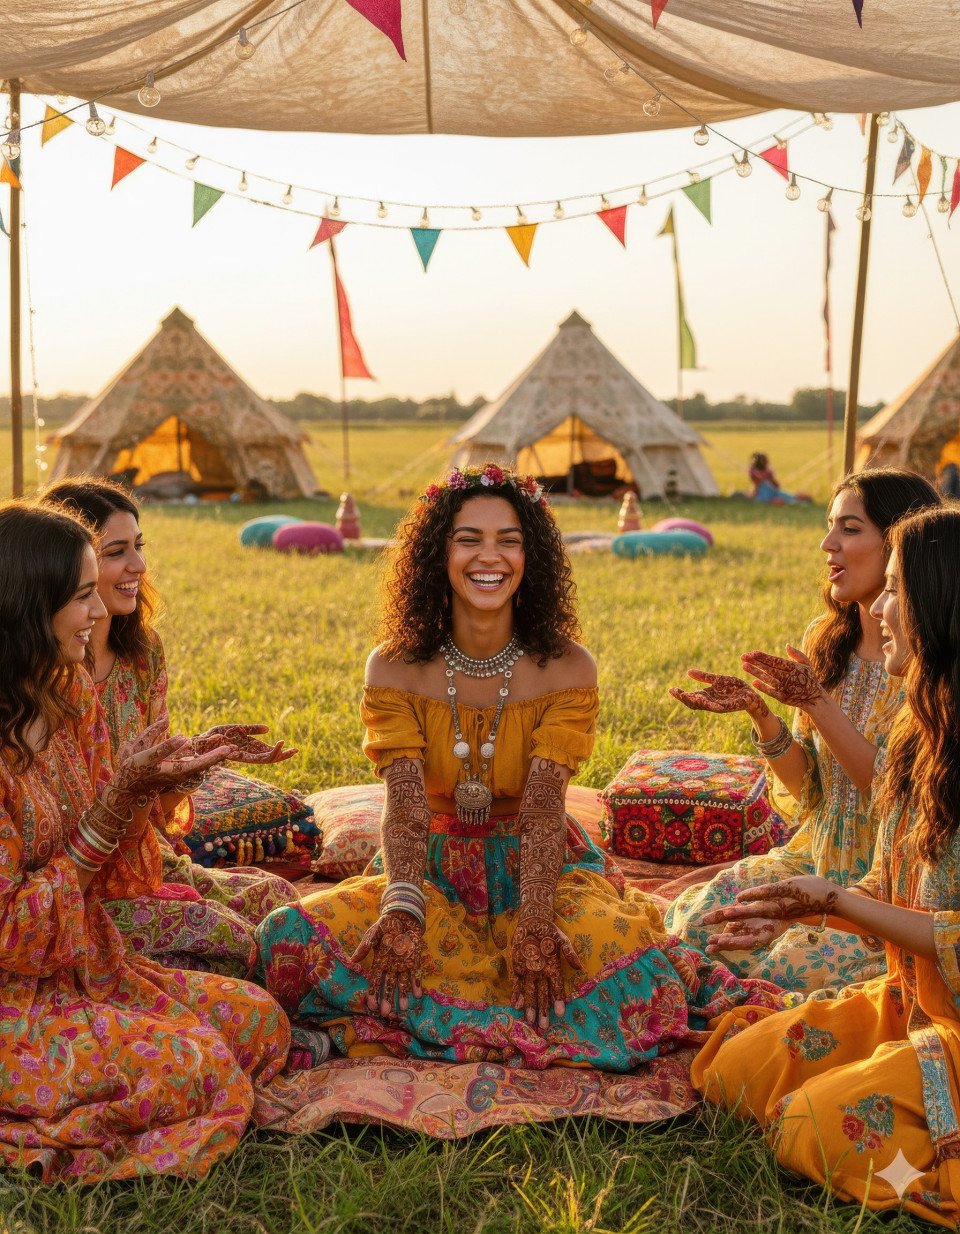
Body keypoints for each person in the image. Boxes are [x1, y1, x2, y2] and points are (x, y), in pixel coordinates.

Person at [255, 464, 788, 1069]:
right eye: (469, 539)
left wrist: (534, 920)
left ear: (531, 557)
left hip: (541, 869)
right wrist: (402, 906)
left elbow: (541, 808)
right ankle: (423, 1012)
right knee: (286, 939)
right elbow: (404, 807)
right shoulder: (394, 666)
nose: (491, 557)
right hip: (430, 869)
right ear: (438, 554)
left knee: (625, 970)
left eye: (509, 540)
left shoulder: (566, 668)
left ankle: (380, 1030)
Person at [0, 502, 289, 1181]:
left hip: (81, 961)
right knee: (196, 1068)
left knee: (259, 1022)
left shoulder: (68, 695)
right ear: (27, 607)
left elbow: (124, 870)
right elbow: (12, 932)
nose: (99, 611)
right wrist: (112, 809)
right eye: (80, 596)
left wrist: (161, 782)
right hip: (14, 988)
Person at [692, 505, 960, 1229]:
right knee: (736, 1072)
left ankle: (939, 1173)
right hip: (916, 1003)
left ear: (941, 598)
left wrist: (835, 902)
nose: (879, 607)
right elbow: (888, 876)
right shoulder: (922, 731)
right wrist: (804, 903)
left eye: (896, 587)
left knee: (815, 1125)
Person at [664, 469, 942, 993]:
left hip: (882, 877)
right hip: (813, 853)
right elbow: (811, 793)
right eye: (829, 526)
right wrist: (762, 714)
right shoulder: (823, 642)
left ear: (902, 543)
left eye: (850, 529)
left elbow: (894, 803)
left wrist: (817, 703)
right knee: (702, 920)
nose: (827, 544)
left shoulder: (925, 665)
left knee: (783, 970)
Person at [41, 477, 299, 978]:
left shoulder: (142, 654)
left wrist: (197, 761)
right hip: (84, 876)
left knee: (279, 897)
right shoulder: (47, 677)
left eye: (139, 547)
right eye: (116, 552)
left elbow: (158, 810)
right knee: (239, 942)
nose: (137, 565)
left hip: (148, 854)